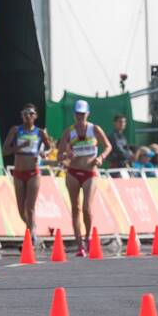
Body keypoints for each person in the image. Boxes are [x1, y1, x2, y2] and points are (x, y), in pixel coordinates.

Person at [56, 99, 112, 257]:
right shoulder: (69, 132)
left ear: (88, 114)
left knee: (87, 208)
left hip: (90, 172)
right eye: (77, 114)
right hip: (73, 172)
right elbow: (59, 155)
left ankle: (88, 238)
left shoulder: (94, 129)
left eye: (83, 114)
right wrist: (67, 154)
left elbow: (108, 146)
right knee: (75, 208)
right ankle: (79, 244)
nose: (80, 117)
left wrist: (101, 157)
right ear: (74, 115)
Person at [1, 104, 52, 246]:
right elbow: (5, 151)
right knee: (20, 210)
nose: (27, 116)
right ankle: (33, 230)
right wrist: (20, 147)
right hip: (18, 173)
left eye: (30, 113)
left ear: (35, 116)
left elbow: (49, 147)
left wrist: (43, 153)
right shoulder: (16, 130)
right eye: (24, 113)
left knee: (30, 207)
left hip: (33, 173)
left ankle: (30, 238)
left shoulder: (40, 132)